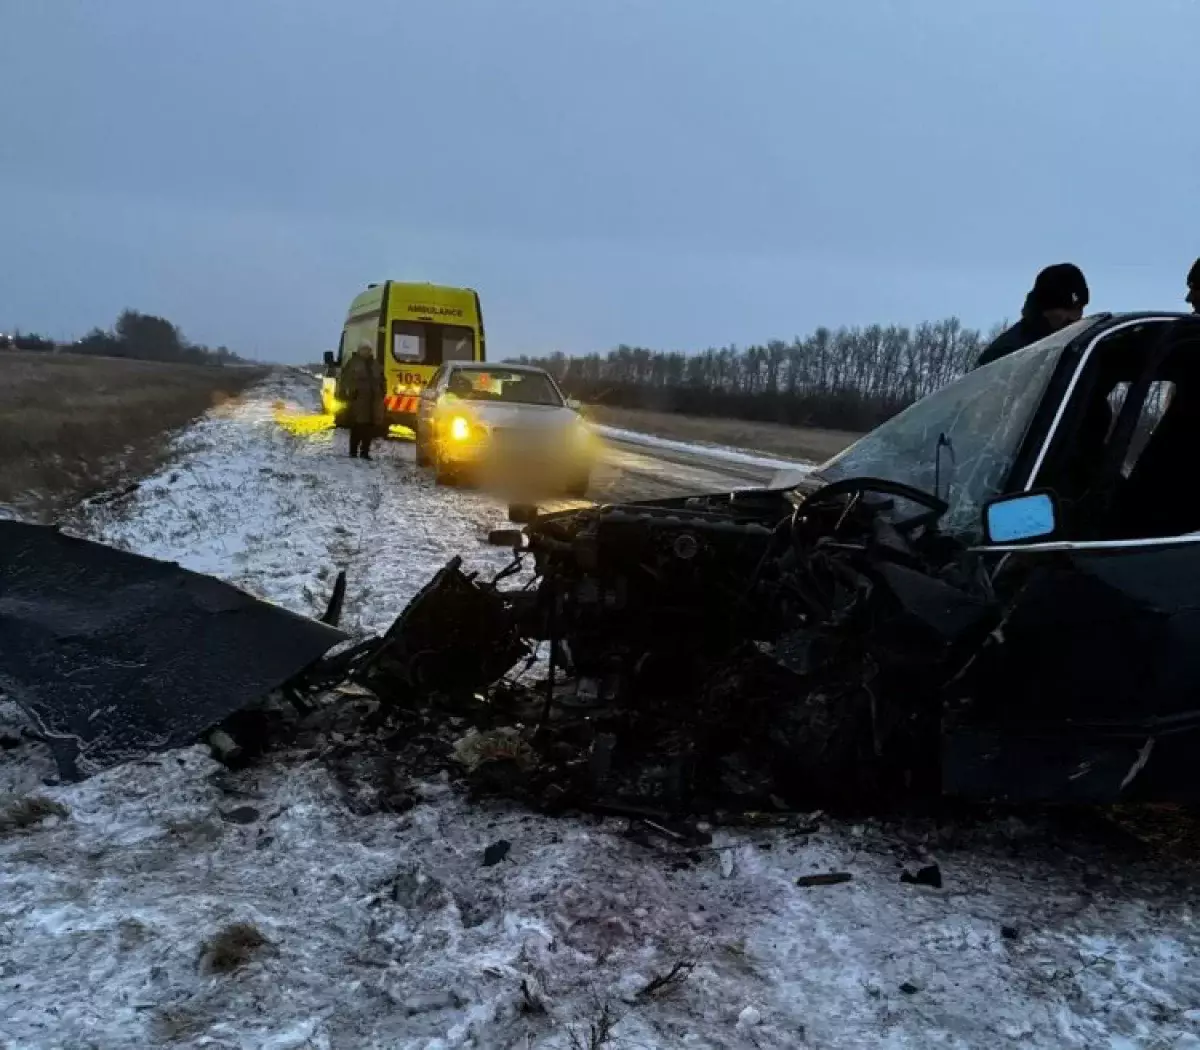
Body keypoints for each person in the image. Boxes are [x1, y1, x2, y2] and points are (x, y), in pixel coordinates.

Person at [975, 263, 1090, 369]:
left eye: (1080, 308)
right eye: (1067, 309)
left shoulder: (1078, 349)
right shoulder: (1004, 355)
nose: (1075, 317)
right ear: (1046, 309)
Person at [336, 344, 385, 459]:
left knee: (369, 429)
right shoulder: (353, 363)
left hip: (373, 403)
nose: (366, 352)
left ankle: (365, 452)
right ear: (359, 350)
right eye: (364, 349)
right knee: (357, 427)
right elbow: (345, 379)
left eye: (368, 349)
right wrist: (347, 393)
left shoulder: (375, 364)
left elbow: (382, 380)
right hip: (358, 401)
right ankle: (353, 451)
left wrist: (382, 392)